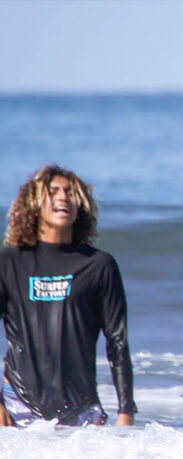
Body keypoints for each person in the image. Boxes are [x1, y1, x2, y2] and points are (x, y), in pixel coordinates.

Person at [0, 165, 136, 427]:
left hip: (82, 409)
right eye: (53, 192)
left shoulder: (99, 265)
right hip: (17, 404)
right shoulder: (9, 262)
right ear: (34, 202)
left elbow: (117, 341)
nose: (63, 197)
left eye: (70, 192)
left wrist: (126, 411)